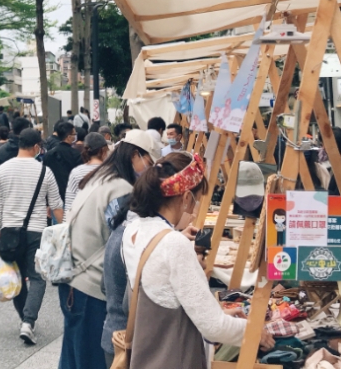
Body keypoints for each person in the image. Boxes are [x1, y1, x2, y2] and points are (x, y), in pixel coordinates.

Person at [122, 152, 274, 368]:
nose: (194, 211)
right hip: (174, 358)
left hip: (147, 357)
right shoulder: (174, 243)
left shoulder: (133, 231)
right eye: (195, 200)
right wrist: (253, 330)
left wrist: (218, 312)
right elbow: (214, 327)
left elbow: (166, 297)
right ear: (185, 198)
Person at [57, 129, 157, 369]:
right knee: (89, 359)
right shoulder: (121, 189)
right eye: (149, 162)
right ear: (135, 155)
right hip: (90, 285)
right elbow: (124, 241)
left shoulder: (100, 177)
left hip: (72, 279)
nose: (149, 170)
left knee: (73, 356)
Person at [0, 129, 63, 346]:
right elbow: (57, 205)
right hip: (36, 232)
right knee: (38, 278)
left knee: (16, 277)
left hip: (9, 231)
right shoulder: (44, 171)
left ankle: (25, 319)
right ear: (36, 147)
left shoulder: (3, 169)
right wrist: (66, 227)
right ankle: (28, 322)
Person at [100, 194, 133, 368]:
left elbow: (104, 286)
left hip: (112, 331)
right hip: (125, 339)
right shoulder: (133, 240)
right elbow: (131, 301)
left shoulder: (119, 231)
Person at [63, 133, 108, 212]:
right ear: (103, 150)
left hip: (83, 221)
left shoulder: (76, 172)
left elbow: (69, 206)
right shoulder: (111, 171)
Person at [44, 122, 84, 199]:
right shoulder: (76, 154)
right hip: (71, 196)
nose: (75, 136)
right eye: (74, 134)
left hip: (53, 196)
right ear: (69, 137)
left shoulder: (48, 155)